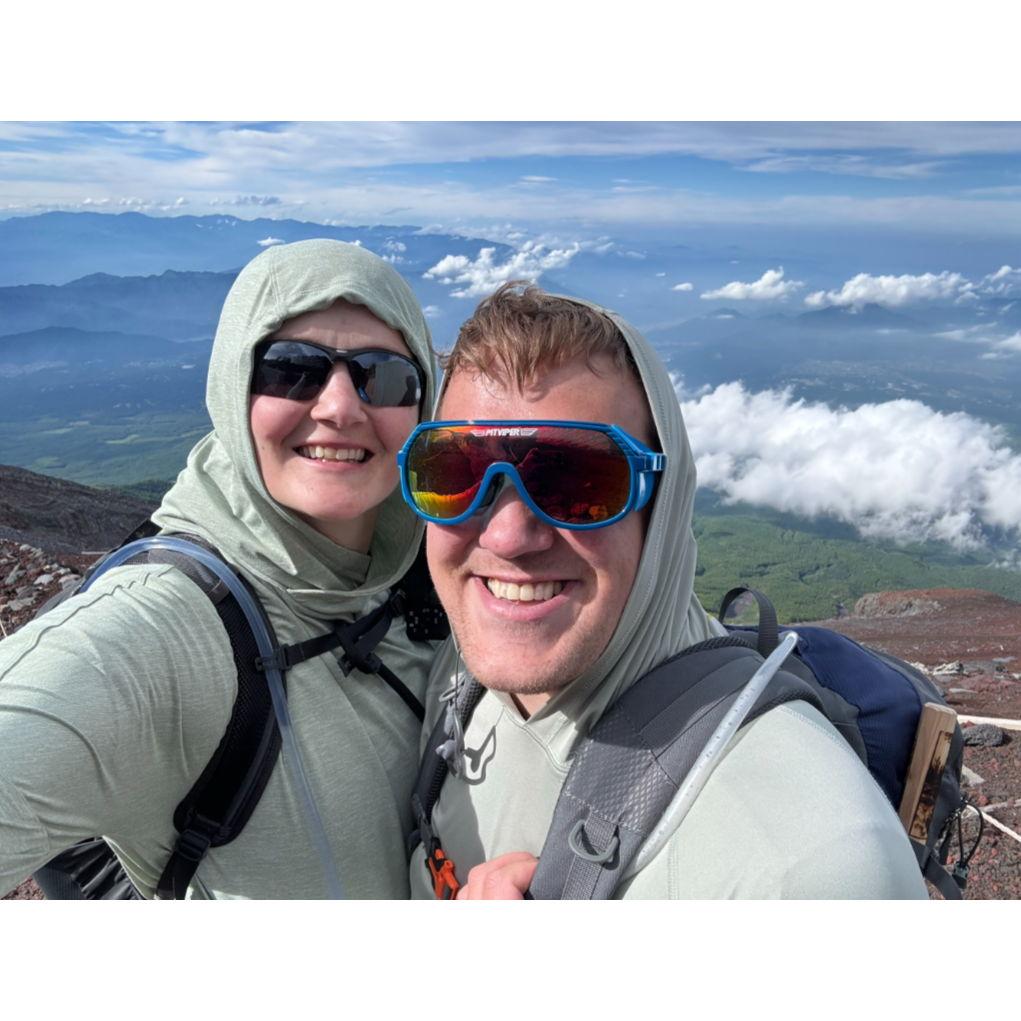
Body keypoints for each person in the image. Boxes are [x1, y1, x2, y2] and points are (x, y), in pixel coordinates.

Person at [400, 282, 928, 899]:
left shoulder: (814, 863)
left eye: (577, 479)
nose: (510, 534)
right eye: (455, 470)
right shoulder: (453, 684)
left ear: (667, 506)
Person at [0, 239, 439, 899]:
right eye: (292, 369)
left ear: (422, 402)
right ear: (233, 386)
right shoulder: (157, 633)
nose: (340, 407)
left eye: (382, 375)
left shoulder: (444, 568)